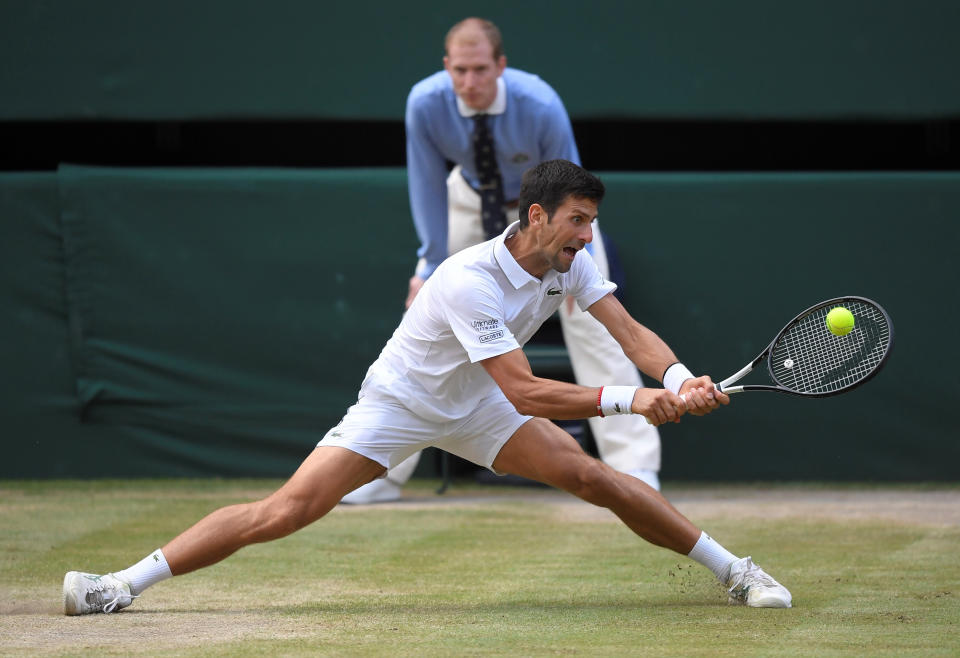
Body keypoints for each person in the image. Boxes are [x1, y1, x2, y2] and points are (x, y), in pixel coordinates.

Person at [63, 160, 792, 615]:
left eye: (592, 223)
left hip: (480, 405)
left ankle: (735, 572)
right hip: (403, 401)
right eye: (577, 221)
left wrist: (675, 377)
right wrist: (633, 400)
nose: (585, 236)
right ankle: (118, 586)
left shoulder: (573, 261)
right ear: (536, 216)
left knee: (592, 476)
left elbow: (628, 331)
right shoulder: (467, 279)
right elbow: (526, 390)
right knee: (284, 511)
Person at [342, 17, 662, 504]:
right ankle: (380, 470)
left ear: (501, 67)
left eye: (480, 70)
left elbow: (572, 188)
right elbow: (427, 183)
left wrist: (583, 258)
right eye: (460, 71)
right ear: (447, 68)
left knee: (593, 324)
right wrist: (428, 263)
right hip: (468, 202)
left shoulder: (539, 103)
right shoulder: (425, 103)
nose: (469, 83)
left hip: (543, 213)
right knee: (422, 314)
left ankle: (636, 465)